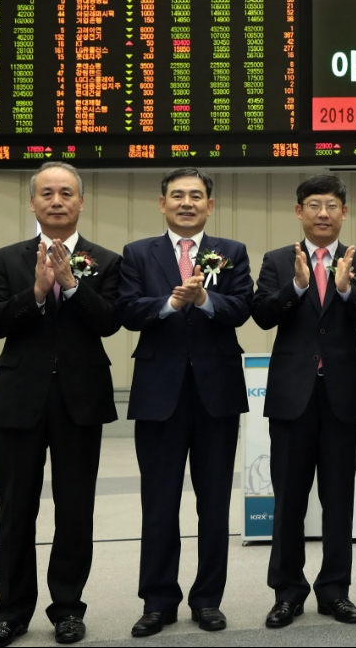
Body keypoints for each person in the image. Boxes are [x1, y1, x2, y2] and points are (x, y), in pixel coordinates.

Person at [0, 162, 122, 647]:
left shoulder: (105, 259)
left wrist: (73, 284)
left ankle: (67, 609)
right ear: (33, 203)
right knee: (15, 509)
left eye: (66, 193)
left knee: (75, 509)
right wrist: (37, 291)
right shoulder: (7, 258)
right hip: (19, 401)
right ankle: (11, 613)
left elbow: (109, 323)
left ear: (81, 203)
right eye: (47, 194)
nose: (56, 201)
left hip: (80, 400)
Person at [115, 168, 253, 637]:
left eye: (196, 196)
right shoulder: (137, 254)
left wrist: (206, 299)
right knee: (159, 503)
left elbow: (243, 307)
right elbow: (126, 311)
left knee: (213, 504)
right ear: (162, 203)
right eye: (178, 196)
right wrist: (171, 304)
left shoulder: (232, 252)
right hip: (158, 394)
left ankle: (208, 599)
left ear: (210, 205)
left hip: (217, 393)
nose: (187, 203)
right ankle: (157, 601)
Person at [251, 175, 356, 628]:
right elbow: (263, 314)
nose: (322, 213)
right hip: (293, 398)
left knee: (338, 500)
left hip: (341, 397)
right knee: (288, 500)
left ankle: (335, 591)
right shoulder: (276, 261)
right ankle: (287, 592)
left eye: (331, 205)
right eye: (313, 204)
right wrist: (297, 287)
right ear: (299, 212)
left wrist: (348, 290)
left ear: (344, 212)